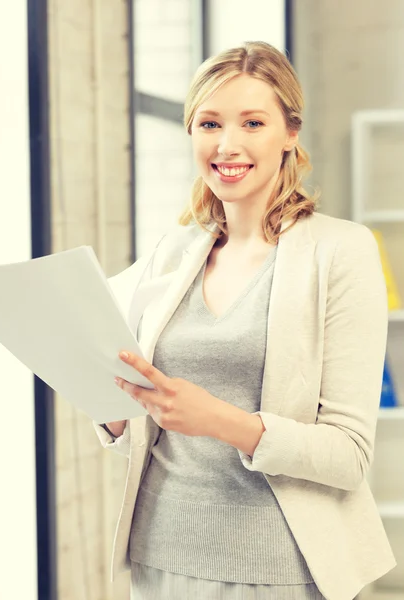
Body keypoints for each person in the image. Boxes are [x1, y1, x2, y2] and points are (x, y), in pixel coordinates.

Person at [93, 41, 396, 600]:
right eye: (209, 123)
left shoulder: (342, 251)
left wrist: (219, 419)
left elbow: (349, 455)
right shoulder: (172, 251)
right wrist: (111, 410)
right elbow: (152, 417)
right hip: (163, 556)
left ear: (290, 133)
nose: (227, 144)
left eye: (252, 122)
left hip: (282, 567)